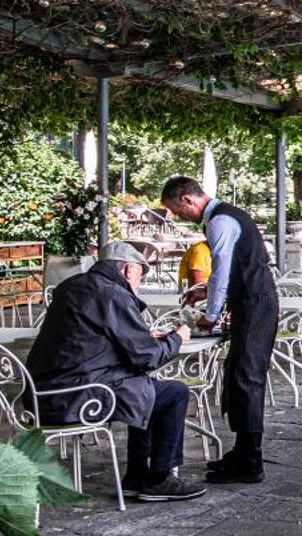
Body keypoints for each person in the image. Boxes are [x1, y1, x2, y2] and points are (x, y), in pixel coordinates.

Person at [27, 240, 205, 502]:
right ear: (127, 270)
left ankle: (136, 477)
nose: (139, 283)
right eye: (140, 275)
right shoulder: (113, 293)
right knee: (172, 392)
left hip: (40, 394)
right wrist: (177, 338)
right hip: (78, 397)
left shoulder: (71, 286)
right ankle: (158, 478)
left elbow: (89, 335)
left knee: (142, 388)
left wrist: (141, 334)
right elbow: (147, 357)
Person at [159, 176, 277, 484]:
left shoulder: (220, 221)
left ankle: (251, 461)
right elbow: (226, 272)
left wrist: (210, 315)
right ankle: (242, 451)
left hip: (255, 302)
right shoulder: (226, 216)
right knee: (238, 373)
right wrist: (207, 296)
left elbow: (221, 269)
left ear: (187, 199)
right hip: (252, 300)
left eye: (176, 209)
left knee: (247, 376)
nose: (178, 216)